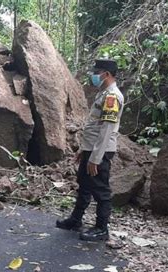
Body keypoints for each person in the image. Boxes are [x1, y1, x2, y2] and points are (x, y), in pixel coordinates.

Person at [56, 59, 124, 241]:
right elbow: (93, 127)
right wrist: (83, 150)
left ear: (107, 74)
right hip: (91, 149)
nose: (94, 76)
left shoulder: (112, 97)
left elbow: (106, 129)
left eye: (97, 72)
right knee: (84, 185)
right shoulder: (103, 94)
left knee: (101, 190)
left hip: (100, 151)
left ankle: (102, 229)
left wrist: (95, 158)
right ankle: (76, 220)